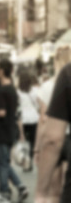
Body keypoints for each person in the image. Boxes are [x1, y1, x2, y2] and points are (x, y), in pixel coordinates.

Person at [35, 47, 71, 203]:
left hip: (61, 135)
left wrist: (40, 193)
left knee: (54, 191)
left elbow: (52, 138)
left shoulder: (67, 75)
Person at [0, 59, 28, 203]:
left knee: (2, 162)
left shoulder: (2, 90)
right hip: (10, 129)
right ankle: (21, 186)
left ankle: (4, 192)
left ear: (1, 70)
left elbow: (2, 112)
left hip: (2, 130)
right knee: (4, 161)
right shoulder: (12, 88)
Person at [17, 71, 40, 171]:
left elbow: (17, 107)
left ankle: (25, 162)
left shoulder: (17, 92)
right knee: (32, 141)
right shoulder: (34, 90)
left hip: (23, 118)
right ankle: (29, 162)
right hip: (34, 118)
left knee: (24, 141)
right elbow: (38, 104)